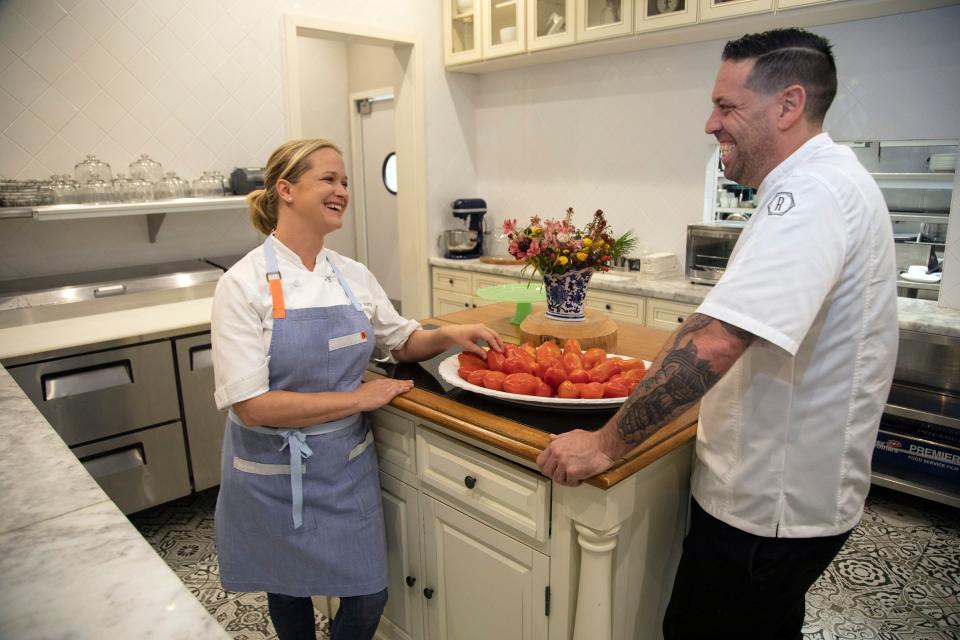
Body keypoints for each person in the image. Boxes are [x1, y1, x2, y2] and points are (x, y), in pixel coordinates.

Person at [536, 28, 898, 640]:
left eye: (727, 107)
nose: (711, 124)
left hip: (767, 508)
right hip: (788, 497)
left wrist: (603, 446)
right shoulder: (822, 183)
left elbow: (716, 340)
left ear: (788, 105)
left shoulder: (811, 195)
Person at [210, 137, 502, 640]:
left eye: (344, 182)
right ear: (285, 189)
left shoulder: (352, 276)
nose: (341, 190)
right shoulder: (242, 285)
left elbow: (401, 342)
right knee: (287, 586)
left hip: (343, 467)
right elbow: (253, 407)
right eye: (328, 179)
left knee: (369, 593)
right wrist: (359, 399)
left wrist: (450, 334)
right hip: (273, 469)